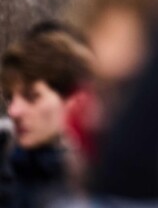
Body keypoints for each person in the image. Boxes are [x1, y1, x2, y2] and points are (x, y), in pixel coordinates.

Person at [1, 31, 93, 208]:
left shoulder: (105, 185)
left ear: (73, 100)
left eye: (32, 97)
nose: (13, 111)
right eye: (9, 98)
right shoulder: (8, 175)